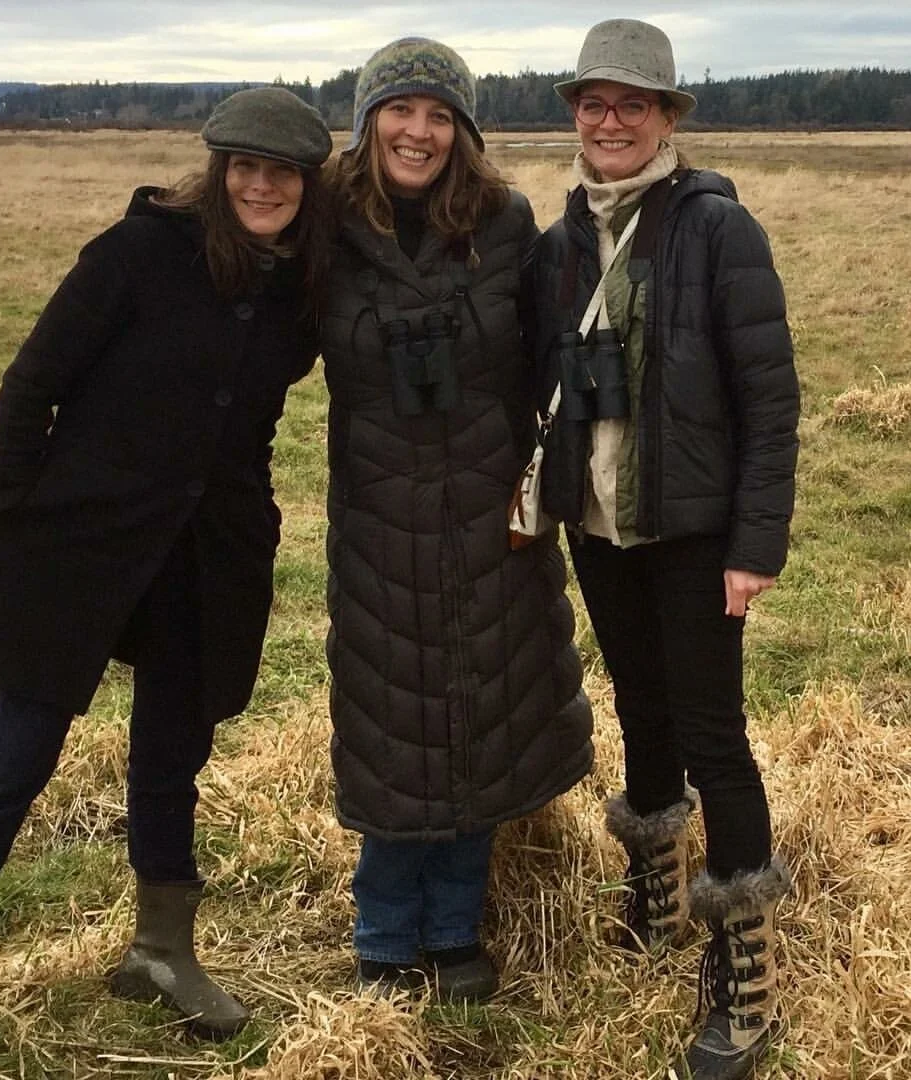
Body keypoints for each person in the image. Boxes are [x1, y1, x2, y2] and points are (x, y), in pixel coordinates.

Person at [0, 86, 332, 1078]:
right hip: (81, 546)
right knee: (10, 766)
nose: (262, 186)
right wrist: (13, 506)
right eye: (246, 168)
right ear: (219, 171)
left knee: (171, 758)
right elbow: (34, 381)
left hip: (206, 557)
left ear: (306, 185)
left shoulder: (302, 285)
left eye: (283, 173)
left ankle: (160, 952)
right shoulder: (138, 254)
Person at [532, 19, 799, 1079]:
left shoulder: (718, 229)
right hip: (601, 531)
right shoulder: (561, 242)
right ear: (575, 115)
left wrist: (755, 543)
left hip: (695, 535)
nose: (611, 121)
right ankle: (654, 895)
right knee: (641, 712)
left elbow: (770, 401)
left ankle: (745, 968)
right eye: (594, 103)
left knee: (713, 735)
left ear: (665, 118)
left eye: (632, 104)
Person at [320, 36, 594, 1003]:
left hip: (491, 514)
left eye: (440, 115)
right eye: (400, 110)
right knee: (392, 718)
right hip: (379, 521)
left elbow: (560, 351)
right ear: (368, 123)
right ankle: (384, 932)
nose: (419, 132)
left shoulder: (504, 223)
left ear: (463, 132)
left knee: (485, 705)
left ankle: (454, 927)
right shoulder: (324, 229)